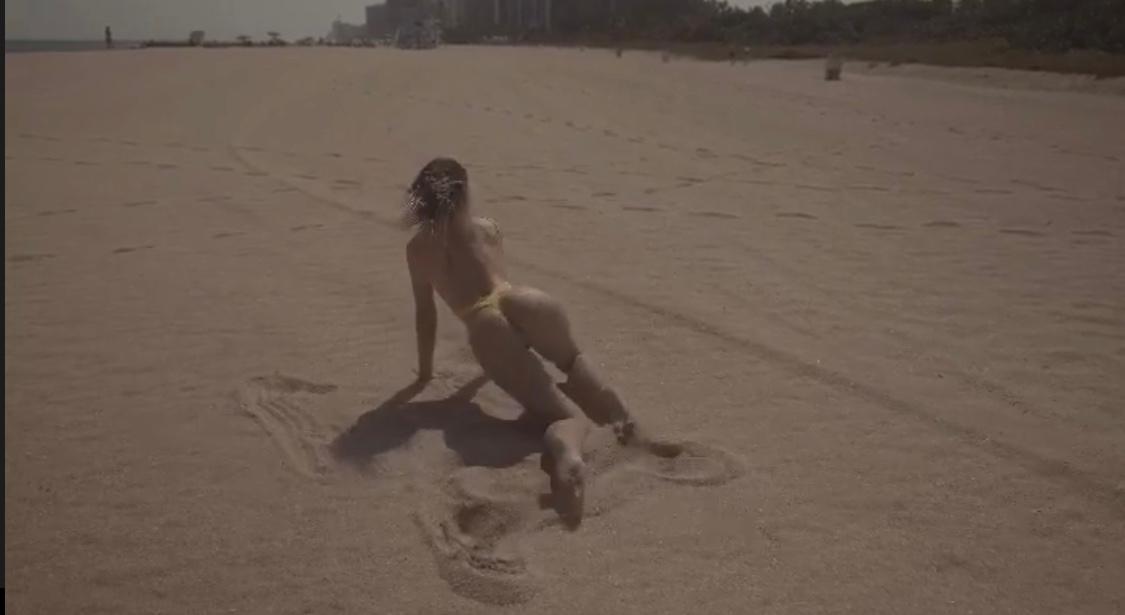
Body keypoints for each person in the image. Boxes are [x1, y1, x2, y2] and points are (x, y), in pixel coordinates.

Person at [403, 158, 638, 526]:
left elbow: (426, 316)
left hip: (483, 324)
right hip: (524, 300)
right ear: (465, 195)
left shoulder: (418, 250)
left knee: (564, 416)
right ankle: (615, 405)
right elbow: (493, 275)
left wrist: (425, 373)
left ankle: (567, 451)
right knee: (572, 358)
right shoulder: (488, 228)